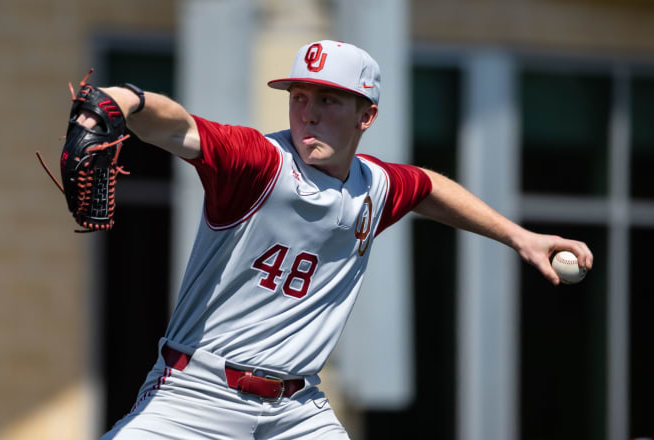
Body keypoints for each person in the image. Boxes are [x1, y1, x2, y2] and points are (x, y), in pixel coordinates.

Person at [83, 40, 593, 439]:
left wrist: (519, 236)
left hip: (298, 411)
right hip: (198, 395)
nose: (307, 112)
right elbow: (179, 129)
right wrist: (125, 100)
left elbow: (429, 187)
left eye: (328, 99)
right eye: (299, 97)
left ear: (365, 115)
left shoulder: (375, 185)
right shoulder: (258, 163)